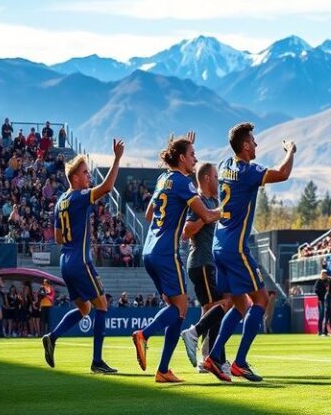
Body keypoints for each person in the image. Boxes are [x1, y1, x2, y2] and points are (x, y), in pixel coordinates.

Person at [202, 122, 296, 383]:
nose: (256, 145)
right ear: (245, 146)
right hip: (236, 247)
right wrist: (291, 151)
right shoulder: (248, 171)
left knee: (241, 303)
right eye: (253, 142)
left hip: (219, 245)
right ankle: (240, 362)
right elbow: (283, 173)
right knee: (261, 300)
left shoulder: (224, 166)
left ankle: (214, 355)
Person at [132, 134, 220, 383]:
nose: (196, 158)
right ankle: (144, 335)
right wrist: (228, 209)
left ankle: (163, 370)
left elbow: (149, 214)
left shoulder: (163, 179)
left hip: (149, 251)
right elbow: (206, 215)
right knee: (180, 308)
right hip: (166, 253)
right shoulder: (183, 182)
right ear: (181, 158)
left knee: (177, 310)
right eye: (192, 154)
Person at [42, 138, 124, 374]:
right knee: (102, 305)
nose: (89, 177)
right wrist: (117, 158)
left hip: (65, 261)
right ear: (75, 178)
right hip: (80, 260)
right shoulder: (79, 196)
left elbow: (57, 238)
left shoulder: (60, 202)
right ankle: (97, 361)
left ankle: (52, 336)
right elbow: (107, 188)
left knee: (85, 309)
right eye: (86, 173)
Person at [180, 162, 231, 375]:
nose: (218, 180)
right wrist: (208, 215)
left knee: (211, 310)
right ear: (207, 179)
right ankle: (213, 354)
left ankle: (208, 358)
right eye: (216, 176)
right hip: (202, 262)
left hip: (209, 263)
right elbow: (186, 231)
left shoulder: (212, 201)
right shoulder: (200, 201)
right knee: (222, 306)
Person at [314, 270, 330, 336]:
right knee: (321, 315)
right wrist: (319, 298)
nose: (324, 275)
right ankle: (320, 331)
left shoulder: (328, 281)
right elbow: (316, 290)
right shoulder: (319, 281)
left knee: (326, 316)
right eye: (323, 273)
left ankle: (325, 331)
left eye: (325, 274)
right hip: (321, 300)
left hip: (327, 300)